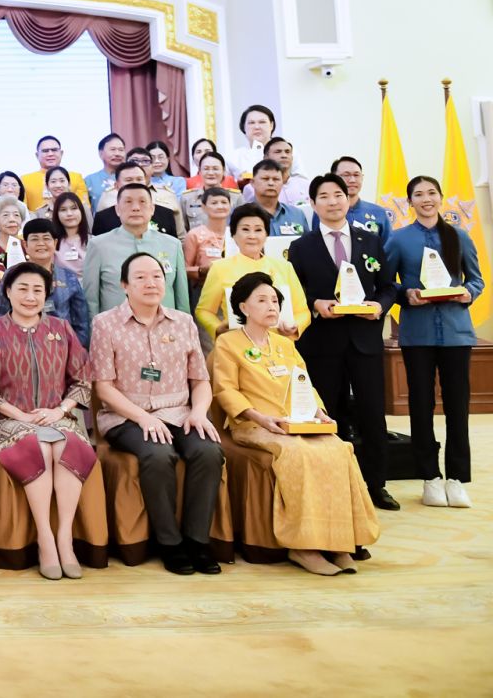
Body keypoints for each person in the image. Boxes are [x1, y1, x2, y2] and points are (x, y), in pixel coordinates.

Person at [211, 272, 380, 574]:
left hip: (296, 422)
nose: (271, 306)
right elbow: (225, 390)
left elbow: (305, 383)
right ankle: (303, 547)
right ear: (243, 307)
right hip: (254, 424)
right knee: (298, 454)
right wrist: (260, 417)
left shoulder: (285, 344)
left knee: (339, 449)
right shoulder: (228, 343)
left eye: (275, 301)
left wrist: (319, 412)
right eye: (262, 300)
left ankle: (339, 542)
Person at [91, 252, 223, 575]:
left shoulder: (183, 322)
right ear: (124, 285)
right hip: (126, 416)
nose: (151, 283)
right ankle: (170, 543)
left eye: (157, 276)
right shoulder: (105, 324)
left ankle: (197, 540)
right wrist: (143, 417)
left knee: (208, 451)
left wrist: (199, 412)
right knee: (158, 453)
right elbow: (103, 388)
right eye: (140, 277)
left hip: (179, 412)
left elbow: (200, 381)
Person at [0, 262, 95, 579]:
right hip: (9, 420)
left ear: (47, 294)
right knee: (38, 445)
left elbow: (83, 379)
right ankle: (45, 538)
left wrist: (60, 411)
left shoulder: (61, 329)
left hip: (58, 416)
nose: (30, 296)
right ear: (8, 292)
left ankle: (65, 538)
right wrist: (22, 416)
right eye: (23, 289)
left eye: (37, 290)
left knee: (67, 444)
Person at [287, 174, 398, 510]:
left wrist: (379, 306)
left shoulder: (371, 240)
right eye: (324, 196)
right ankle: (330, 486)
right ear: (313, 204)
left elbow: (388, 286)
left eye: (338, 194)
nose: (333, 201)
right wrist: (315, 304)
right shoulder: (301, 247)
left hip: (365, 340)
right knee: (326, 414)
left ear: (348, 199)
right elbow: (294, 292)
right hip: (322, 343)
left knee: (372, 413)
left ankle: (376, 484)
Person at [384, 174, 484, 508]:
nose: (426, 199)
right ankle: (429, 477)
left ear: (441, 197)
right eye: (418, 194)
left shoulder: (459, 235)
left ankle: (457, 478)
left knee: (457, 405)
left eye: (431, 193)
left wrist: (466, 293)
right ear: (409, 202)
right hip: (418, 334)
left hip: (456, 333)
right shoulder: (399, 239)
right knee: (421, 404)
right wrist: (406, 294)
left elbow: (477, 280)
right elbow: (387, 283)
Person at [195, 204, 311, 342]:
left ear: (266, 235)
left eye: (258, 230)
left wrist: (295, 325)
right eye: (245, 229)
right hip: (237, 344)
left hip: (280, 344)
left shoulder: (284, 267)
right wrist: (218, 328)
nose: (252, 236)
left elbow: (302, 311)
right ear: (233, 234)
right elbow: (204, 310)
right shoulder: (220, 268)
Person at [83, 183, 189, 320]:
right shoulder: (98, 245)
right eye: (128, 202)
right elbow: (90, 299)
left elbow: (182, 297)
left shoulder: (172, 244)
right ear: (117, 209)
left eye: (142, 202)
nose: (136, 208)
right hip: (116, 328)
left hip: (165, 328)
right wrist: (94, 330)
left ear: (152, 209)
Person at [0, 219, 91, 348]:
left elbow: (81, 322)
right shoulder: (12, 275)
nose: (41, 244)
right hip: (20, 347)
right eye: (34, 239)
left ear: (55, 243)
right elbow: (1, 315)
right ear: (25, 245)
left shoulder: (69, 277)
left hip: (61, 347)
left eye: (46, 238)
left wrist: (76, 349)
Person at [92, 161, 180, 237]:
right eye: (129, 180)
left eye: (139, 179)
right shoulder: (103, 218)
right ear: (116, 186)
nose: (135, 183)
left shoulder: (166, 214)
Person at [183, 186, 233, 298]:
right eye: (214, 203)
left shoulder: (235, 235)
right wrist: (201, 270)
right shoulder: (194, 235)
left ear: (230, 206)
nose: (220, 206)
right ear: (203, 207)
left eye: (224, 202)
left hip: (233, 290)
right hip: (204, 290)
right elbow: (184, 269)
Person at [331, 156, 392, 244]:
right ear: (333, 178)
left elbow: (388, 248)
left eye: (356, 175)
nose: (352, 180)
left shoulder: (379, 212)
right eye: (346, 175)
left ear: (362, 177)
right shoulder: (324, 211)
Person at [22, 135, 90, 213]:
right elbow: (22, 211)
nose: (50, 154)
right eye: (45, 151)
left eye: (54, 150)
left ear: (61, 153)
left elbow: (84, 208)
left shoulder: (76, 177)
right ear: (37, 155)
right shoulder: (25, 180)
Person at [180, 152, 240, 230]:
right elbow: (183, 230)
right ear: (199, 171)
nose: (211, 173)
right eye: (206, 169)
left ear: (224, 171)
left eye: (215, 169)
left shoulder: (236, 198)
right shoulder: (187, 198)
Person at [227, 104, 279, 183]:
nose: (257, 127)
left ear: (271, 125)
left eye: (262, 122)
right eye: (251, 123)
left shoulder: (286, 152)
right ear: (243, 127)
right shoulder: (234, 157)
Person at [48, 191, 90, 279]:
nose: (69, 214)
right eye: (63, 210)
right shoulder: (52, 244)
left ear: (81, 211)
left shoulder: (94, 242)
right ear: (56, 214)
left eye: (74, 208)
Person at [83, 133, 128, 207]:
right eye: (113, 149)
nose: (117, 154)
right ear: (101, 154)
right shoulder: (89, 180)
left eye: (121, 150)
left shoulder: (132, 177)